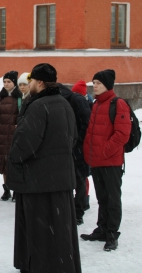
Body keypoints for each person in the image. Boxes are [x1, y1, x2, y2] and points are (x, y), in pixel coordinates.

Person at [7, 63, 81, 273]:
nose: (28, 84)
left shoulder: (38, 106)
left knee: (39, 235)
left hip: (38, 183)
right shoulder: (64, 104)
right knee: (59, 235)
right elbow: (73, 138)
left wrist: (14, 156)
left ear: (39, 82)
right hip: (59, 181)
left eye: (31, 81)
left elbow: (24, 145)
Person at [81, 69, 131, 251]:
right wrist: (89, 152)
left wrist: (104, 151)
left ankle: (112, 234)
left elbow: (122, 134)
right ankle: (102, 229)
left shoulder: (118, 104)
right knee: (102, 198)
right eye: (93, 82)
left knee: (112, 198)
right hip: (97, 161)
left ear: (108, 85)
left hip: (111, 162)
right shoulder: (96, 104)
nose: (94, 86)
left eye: (98, 83)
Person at [58, 83, 91, 225]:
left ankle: (78, 212)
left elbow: (86, 124)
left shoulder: (77, 100)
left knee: (79, 180)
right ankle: (70, 210)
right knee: (68, 180)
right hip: (67, 147)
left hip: (78, 148)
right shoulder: (65, 100)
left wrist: (77, 142)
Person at [0, 71, 22, 202]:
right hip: (1, 135)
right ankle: (6, 189)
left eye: (9, 81)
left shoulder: (19, 97)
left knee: (14, 163)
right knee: (3, 162)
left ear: (14, 83)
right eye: (4, 82)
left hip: (14, 135)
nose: (6, 84)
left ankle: (16, 190)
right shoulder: (0, 97)